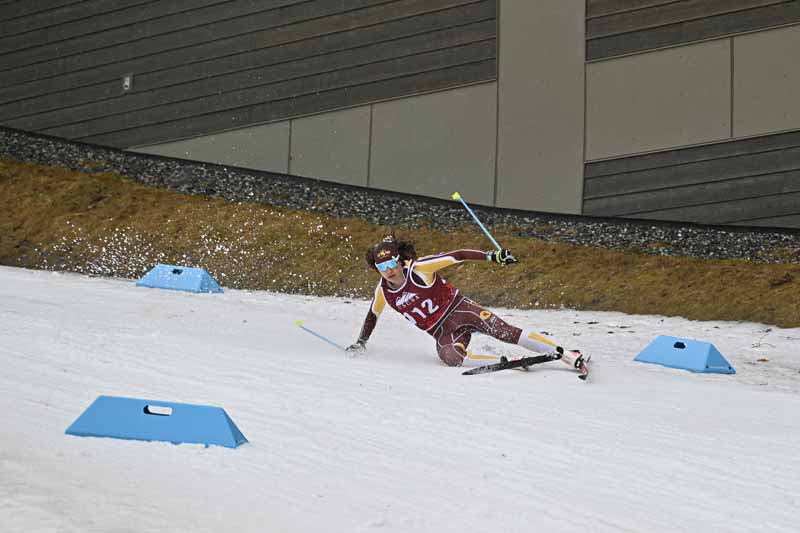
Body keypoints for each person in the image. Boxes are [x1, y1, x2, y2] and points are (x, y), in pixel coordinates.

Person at [346, 234, 586, 373]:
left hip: (460, 309)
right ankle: (507, 363)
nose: (388, 272)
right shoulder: (383, 292)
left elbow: (458, 255)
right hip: (441, 331)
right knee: (451, 358)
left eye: (391, 265)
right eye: (381, 268)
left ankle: (565, 353)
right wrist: (360, 343)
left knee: (504, 332)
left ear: (400, 260)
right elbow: (372, 316)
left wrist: (492, 256)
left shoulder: (420, 269)